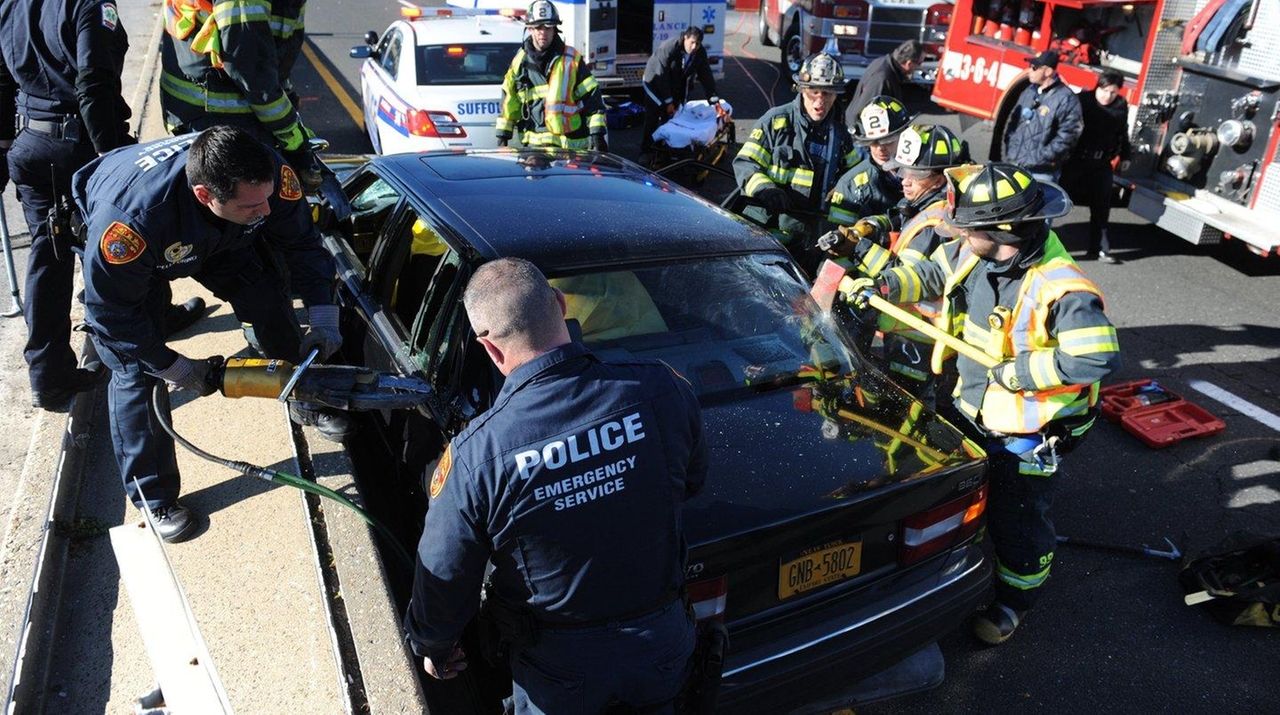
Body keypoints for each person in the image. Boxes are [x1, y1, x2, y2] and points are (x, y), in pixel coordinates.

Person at [404, 257, 707, 714]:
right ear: (562, 306)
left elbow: (445, 572)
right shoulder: (661, 388)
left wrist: (434, 642)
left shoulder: (476, 455)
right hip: (660, 643)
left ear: (489, 347)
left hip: (561, 666)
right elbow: (692, 482)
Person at [841, 163, 1120, 644]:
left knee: (1020, 519)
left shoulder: (1062, 288)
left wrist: (1018, 373)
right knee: (961, 494)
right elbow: (931, 274)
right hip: (968, 408)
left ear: (1003, 231)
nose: (958, 233)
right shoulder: (977, 254)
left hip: (1023, 435)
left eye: (968, 227)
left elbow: (1095, 357)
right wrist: (884, 286)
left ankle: (1015, 600)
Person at [73, 127, 346, 542]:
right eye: (252, 205)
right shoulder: (128, 224)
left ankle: (304, 398)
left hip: (223, 237)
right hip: (151, 248)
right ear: (205, 195)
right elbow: (112, 314)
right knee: (136, 373)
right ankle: (154, 497)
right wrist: (175, 367)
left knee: (269, 303)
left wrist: (324, 318)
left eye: (267, 199)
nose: (266, 211)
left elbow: (302, 246)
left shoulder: (264, 174)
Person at [0, 0, 204, 411]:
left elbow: (3, 80)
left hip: (30, 144)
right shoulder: (91, 4)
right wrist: (113, 161)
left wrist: (8, 143)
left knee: (47, 258)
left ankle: (49, 375)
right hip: (80, 144)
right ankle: (148, 330)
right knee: (127, 242)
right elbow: (93, 84)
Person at [825, 124, 969, 401]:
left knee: (906, 404)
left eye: (915, 174)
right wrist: (869, 226)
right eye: (902, 170)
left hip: (918, 336)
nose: (905, 180)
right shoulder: (928, 203)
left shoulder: (937, 224)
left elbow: (902, 276)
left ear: (941, 178)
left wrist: (860, 248)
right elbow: (901, 217)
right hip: (906, 331)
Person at [159, 0, 322, 191]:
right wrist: (290, 133)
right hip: (218, 117)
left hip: (214, 109)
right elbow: (251, 69)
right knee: (247, 204)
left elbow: (272, 57)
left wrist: (288, 99)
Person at [733, 52, 859, 267]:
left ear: (837, 95)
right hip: (766, 230)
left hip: (810, 238)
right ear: (801, 90)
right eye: (814, 92)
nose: (820, 102)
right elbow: (745, 163)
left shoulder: (840, 136)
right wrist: (766, 189)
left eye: (827, 94)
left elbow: (856, 178)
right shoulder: (775, 122)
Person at [496, 0, 608, 151]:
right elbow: (510, 101)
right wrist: (502, 138)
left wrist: (598, 136)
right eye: (538, 27)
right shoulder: (520, 62)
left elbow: (592, 100)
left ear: (555, 29)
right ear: (529, 28)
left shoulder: (571, 59)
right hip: (535, 152)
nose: (543, 32)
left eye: (548, 27)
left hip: (571, 149)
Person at [1060, 71, 1130, 264]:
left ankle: (1099, 248)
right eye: (1104, 90)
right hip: (1077, 160)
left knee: (1101, 207)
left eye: (1113, 92)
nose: (1107, 96)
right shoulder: (1083, 100)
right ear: (1097, 86)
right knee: (1057, 199)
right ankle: (1039, 241)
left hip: (1101, 163)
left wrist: (1125, 155)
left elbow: (1123, 133)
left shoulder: (1120, 106)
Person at [826, 95, 915, 227]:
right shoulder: (851, 184)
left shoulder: (925, 172)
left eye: (888, 141)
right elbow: (842, 239)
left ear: (905, 135)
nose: (880, 149)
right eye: (873, 142)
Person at [1001, 50, 1082, 183]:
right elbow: (1013, 122)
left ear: (1048, 71)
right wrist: (1011, 149)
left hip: (1041, 172)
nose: (1029, 71)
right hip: (1015, 164)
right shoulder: (1028, 92)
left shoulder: (1067, 99)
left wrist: (1039, 157)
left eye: (1034, 68)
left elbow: (1068, 137)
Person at [640, 27, 718, 162]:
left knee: (671, 117)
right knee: (653, 117)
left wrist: (713, 99)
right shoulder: (669, 47)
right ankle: (646, 151)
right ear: (685, 38)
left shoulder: (699, 53)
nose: (694, 47)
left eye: (697, 44)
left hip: (673, 83)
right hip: (654, 81)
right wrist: (668, 101)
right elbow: (661, 75)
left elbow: (706, 75)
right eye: (692, 42)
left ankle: (664, 150)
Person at [845, 40, 924, 126]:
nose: (919, 67)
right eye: (919, 63)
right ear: (909, 63)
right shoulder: (882, 79)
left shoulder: (884, 63)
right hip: (860, 130)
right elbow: (870, 112)